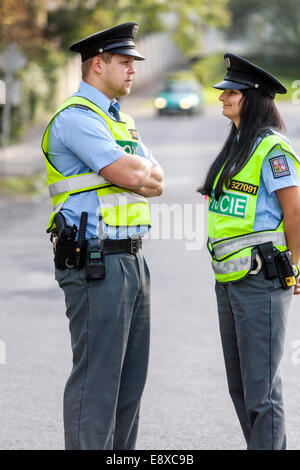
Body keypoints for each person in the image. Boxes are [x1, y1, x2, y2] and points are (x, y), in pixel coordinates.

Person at [41, 22, 164, 450]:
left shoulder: (122, 122)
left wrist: (139, 175)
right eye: (124, 62)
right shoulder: (76, 119)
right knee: (97, 383)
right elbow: (131, 173)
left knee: (129, 386)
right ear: (98, 64)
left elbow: (158, 181)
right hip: (96, 263)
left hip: (131, 260)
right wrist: (137, 174)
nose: (132, 70)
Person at [198, 53, 300, 450]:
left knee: (261, 391)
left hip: (261, 278)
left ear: (254, 98)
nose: (222, 97)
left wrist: (296, 267)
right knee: (240, 387)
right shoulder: (238, 144)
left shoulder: (272, 148)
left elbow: (294, 211)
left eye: (231, 92)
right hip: (230, 278)